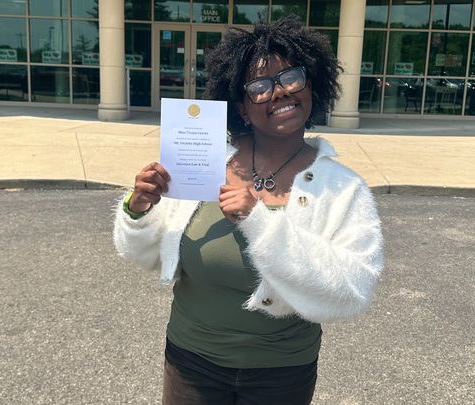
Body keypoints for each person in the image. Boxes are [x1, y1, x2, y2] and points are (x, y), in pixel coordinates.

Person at [113, 17, 383, 405]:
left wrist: (259, 221)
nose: (279, 92)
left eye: (291, 77)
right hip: (192, 362)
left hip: (282, 372)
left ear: (311, 85)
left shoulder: (342, 187)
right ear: (241, 106)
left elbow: (353, 289)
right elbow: (143, 254)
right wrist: (139, 209)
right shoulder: (203, 161)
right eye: (259, 86)